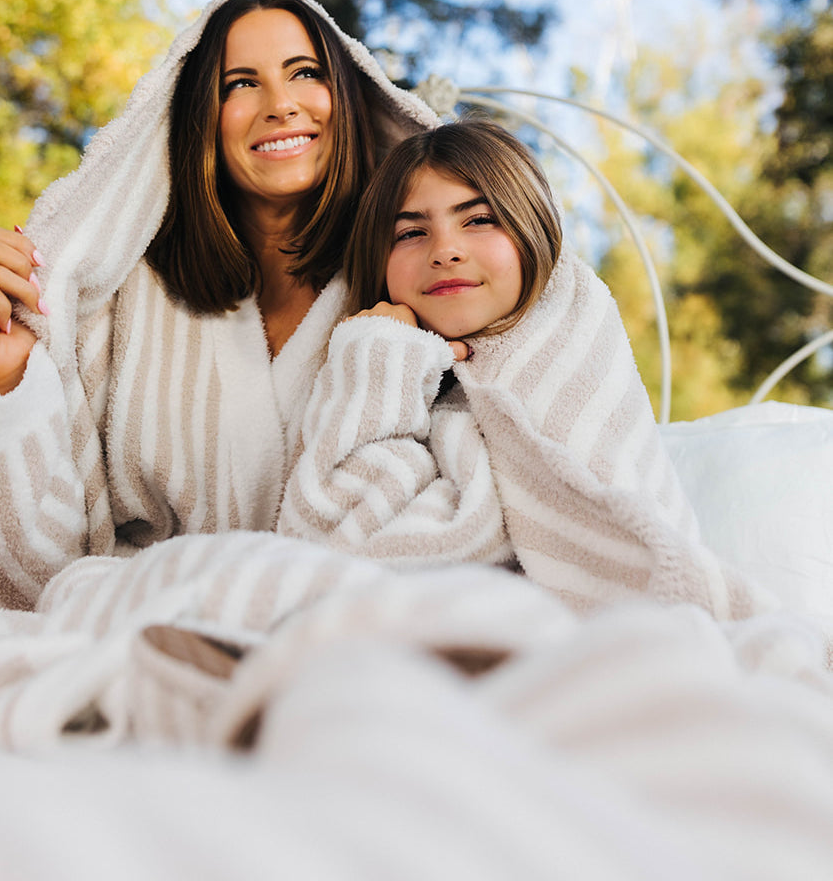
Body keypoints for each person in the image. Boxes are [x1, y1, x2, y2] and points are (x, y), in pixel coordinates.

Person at [0, 0, 438, 717]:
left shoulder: (421, 287)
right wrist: (5, 383)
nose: (280, 104)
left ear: (346, 95)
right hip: (125, 628)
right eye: (239, 84)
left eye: (305, 73)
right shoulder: (118, 299)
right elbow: (28, 584)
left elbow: (455, 518)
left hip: (334, 638)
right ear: (198, 121)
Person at [279, 119, 772, 622]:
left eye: (478, 220)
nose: (445, 250)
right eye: (410, 232)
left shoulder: (577, 347)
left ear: (531, 233)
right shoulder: (377, 370)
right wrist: (381, 354)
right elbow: (324, 544)